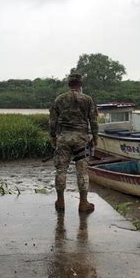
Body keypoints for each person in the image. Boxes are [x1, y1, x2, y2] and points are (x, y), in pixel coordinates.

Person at [49, 73, 99, 213]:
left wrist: (53, 136)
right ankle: (83, 203)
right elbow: (93, 121)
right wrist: (95, 137)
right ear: (80, 84)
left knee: (61, 170)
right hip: (81, 139)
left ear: (68, 84)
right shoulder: (87, 100)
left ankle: (60, 201)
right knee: (82, 171)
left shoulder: (59, 99)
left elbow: (52, 121)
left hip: (63, 138)